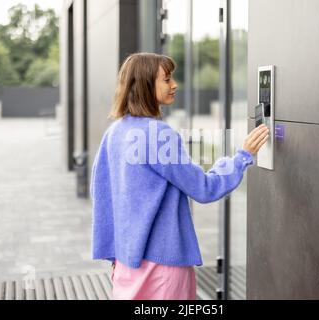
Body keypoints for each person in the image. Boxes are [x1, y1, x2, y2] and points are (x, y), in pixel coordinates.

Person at [90, 52, 269, 300]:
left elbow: (102, 197)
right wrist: (242, 157)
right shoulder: (158, 134)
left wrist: (115, 253)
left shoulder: (115, 133)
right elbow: (204, 188)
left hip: (126, 263)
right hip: (163, 267)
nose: (174, 85)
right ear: (144, 85)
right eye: (166, 79)